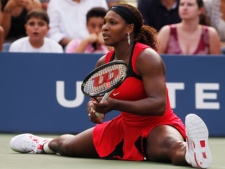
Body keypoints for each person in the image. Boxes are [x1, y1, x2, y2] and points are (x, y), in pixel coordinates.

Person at [9, 4, 212, 168]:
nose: (105, 27)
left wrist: (116, 104)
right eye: (105, 22)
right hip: (124, 126)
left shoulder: (146, 57)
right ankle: (41, 144)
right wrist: (94, 109)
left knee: (171, 148)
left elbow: (158, 104)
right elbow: (98, 101)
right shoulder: (103, 63)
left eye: (112, 23)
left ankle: (193, 152)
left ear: (129, 28)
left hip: (158, 124)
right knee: (68, 146)